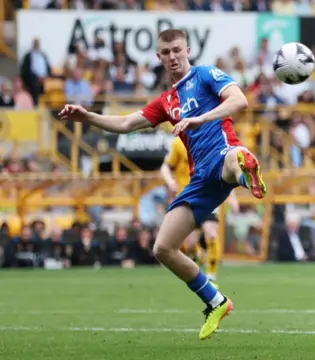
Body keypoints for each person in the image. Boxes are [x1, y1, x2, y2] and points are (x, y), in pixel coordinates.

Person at [58, 28, 267, 340]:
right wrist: (88, 116)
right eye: (166, 53)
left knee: (231, 158)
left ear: (187, 51)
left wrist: (201, 119)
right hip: (199, 179)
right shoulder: (167, 101)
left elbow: (239, 101)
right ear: (158, 57)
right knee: (163, 247)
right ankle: (216, 301)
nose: (172, 57)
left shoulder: (207, 74)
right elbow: (126, 123)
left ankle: (243, 170)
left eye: (177, 50)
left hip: (221, 152)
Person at [161, 136, 239, 281]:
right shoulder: (178, 143)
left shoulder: (211, 141)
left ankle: (211, 276)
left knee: (211, 234)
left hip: (207, 196)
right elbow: (165, 166)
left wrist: (232, 197)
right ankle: (200, 259)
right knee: (189, 245)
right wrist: (170, 181)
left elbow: (224, 172)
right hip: (187, 197)